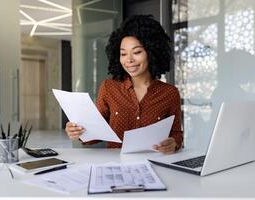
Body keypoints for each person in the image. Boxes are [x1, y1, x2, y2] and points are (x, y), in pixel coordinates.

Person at [65, 15, 183, 154]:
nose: (129, 60)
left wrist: (173, 143)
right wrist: (78, 131)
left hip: (154, 163)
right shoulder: (109, 88)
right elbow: (94, 136)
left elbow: (176, 134)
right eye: (123, 54)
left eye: (137, 52)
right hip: (116, 166)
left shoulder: (169, 93)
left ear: (152, 52)